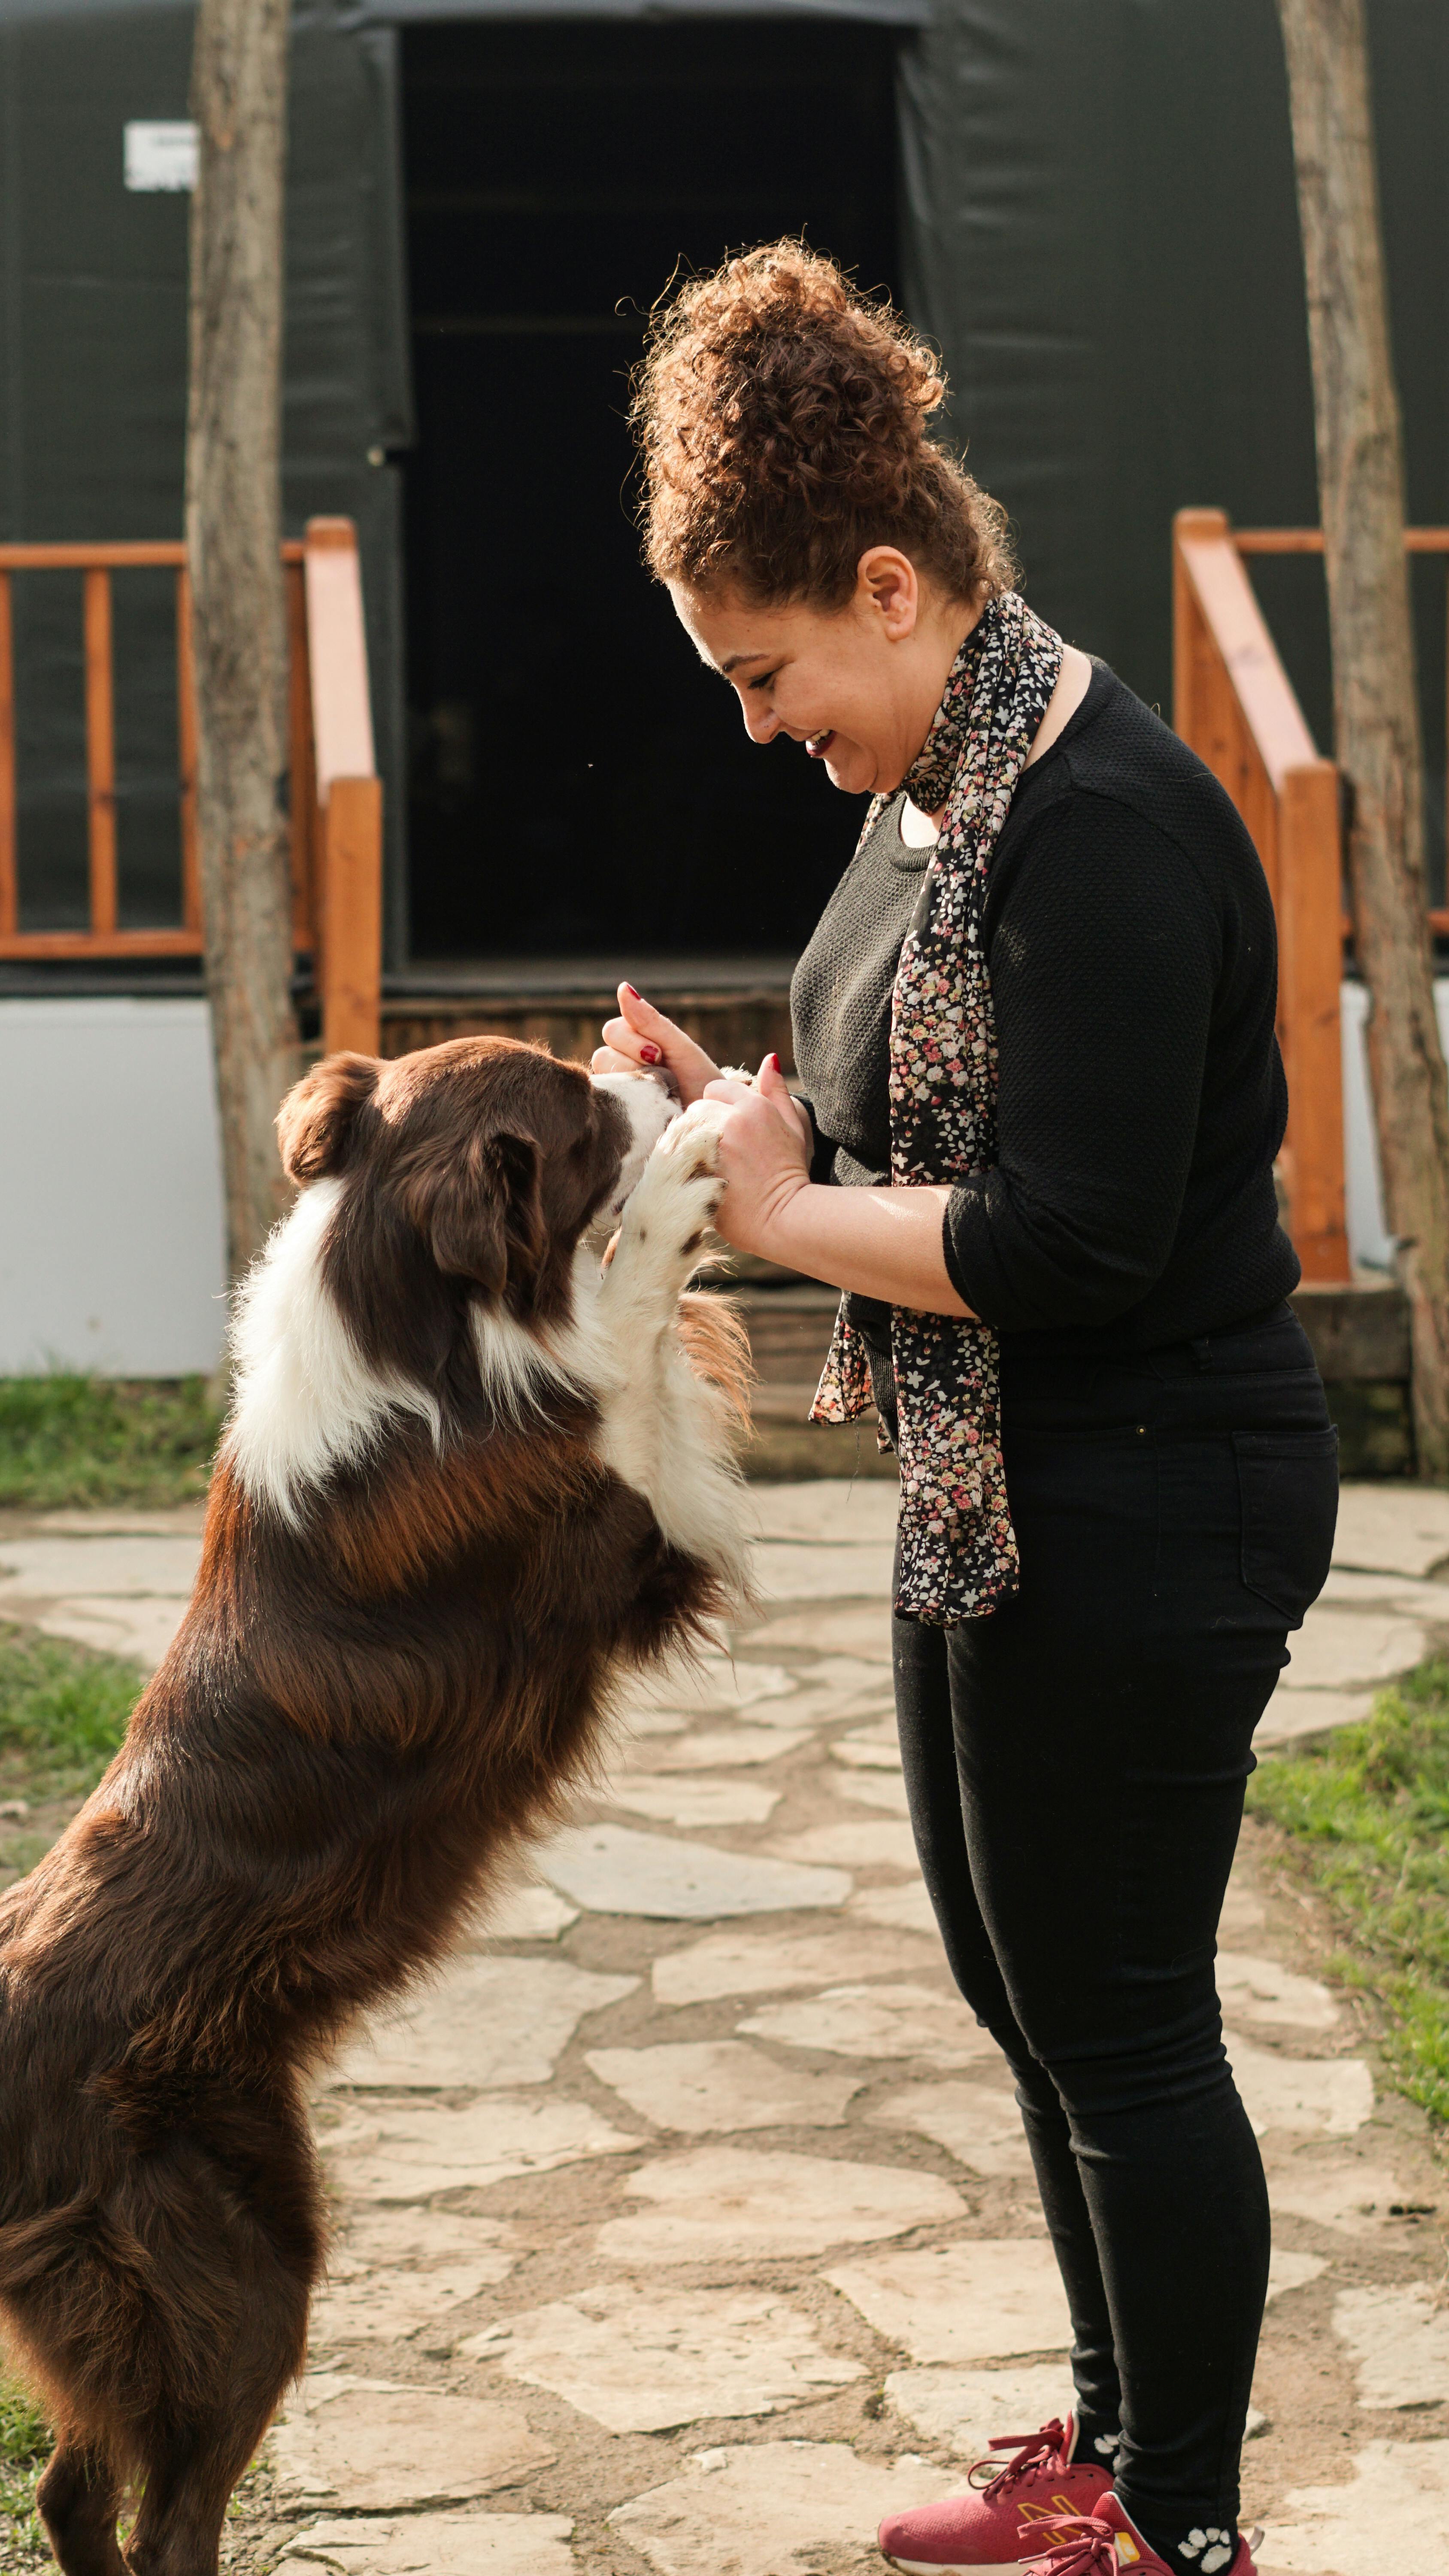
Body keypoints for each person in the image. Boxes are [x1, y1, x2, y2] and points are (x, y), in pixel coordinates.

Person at [592, 242, 1339, 2576]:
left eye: (765, 671)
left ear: (891, 587)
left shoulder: (1097, 818)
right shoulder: (942, 793)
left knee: (1122, 2027)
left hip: (1149, 1488)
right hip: (995, 1493)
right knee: (1034, 2011)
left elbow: (1065, 1241)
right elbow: (898, 1119)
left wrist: (797, 1220)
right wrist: (742, 1124)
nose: (751, 723)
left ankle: (1183, 2532)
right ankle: (1111, 2465)